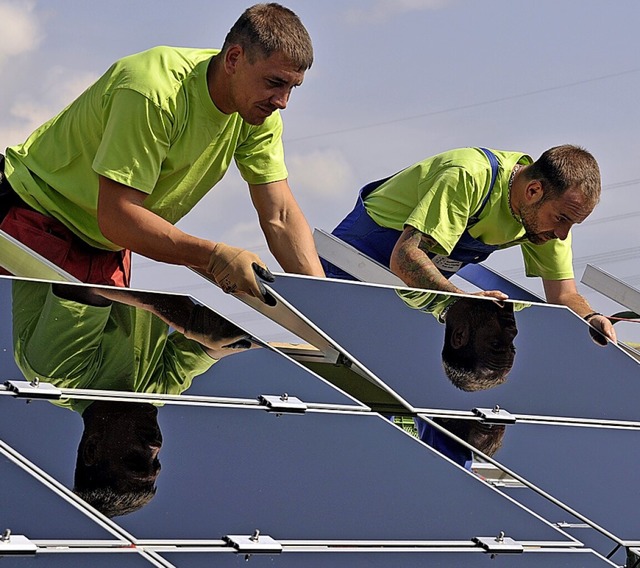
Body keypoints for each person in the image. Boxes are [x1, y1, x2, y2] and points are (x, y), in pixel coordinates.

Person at [0, 3, 324, 301]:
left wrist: (326, 309)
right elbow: (117, 216)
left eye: (291, 87)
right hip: (35, 216)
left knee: (115, 364)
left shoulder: (258, 115)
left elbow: (279, 216)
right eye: (274, 82)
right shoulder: (153, 90)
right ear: (234, 59)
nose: (282, 101)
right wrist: (212, 256)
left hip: (106, 247)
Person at [323, 145, 616, 343]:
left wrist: (591, 317)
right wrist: (466, 300)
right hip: (353, 263)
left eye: (571, 224)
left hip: (413, 294)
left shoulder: (547, 220)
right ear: (533, 190)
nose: (563, 234)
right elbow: (405, 257)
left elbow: (564, 296)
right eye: (562, 219)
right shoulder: (468, 176)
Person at [12, 279, 253, 516]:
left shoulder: (58, 376)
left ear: (92, 449)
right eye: (156, 462)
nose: (155, 446)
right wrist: (281, 336)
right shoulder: (158, 393)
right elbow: (228, 339)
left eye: (136, 460)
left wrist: (188, 320)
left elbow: (89, 277)